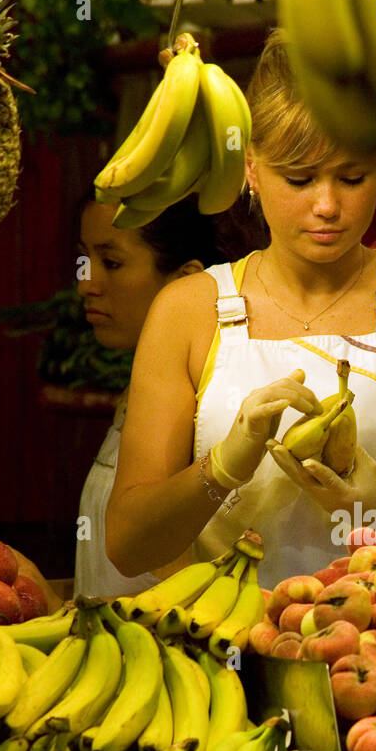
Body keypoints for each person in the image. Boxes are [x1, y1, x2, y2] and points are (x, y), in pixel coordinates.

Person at [106, 29, 376, 589]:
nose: (328, 207)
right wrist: (221, 468)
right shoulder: (188, 313)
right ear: (251, 169)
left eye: (352, 177)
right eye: (298, 179)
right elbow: (128, 546)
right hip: (234, 657)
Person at [74, 194, 223, 598]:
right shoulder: (136, 393)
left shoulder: (205, 414)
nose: (87, 283)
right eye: (84, 259)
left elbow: (180, 597)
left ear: (185, 280)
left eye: (112, 262)